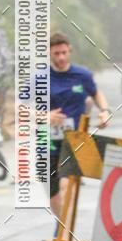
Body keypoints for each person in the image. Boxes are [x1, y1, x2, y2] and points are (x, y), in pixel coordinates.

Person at [49, 31, 110, 218]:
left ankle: (64, 232)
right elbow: (21, 106)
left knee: (67, 184)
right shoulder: (41, 78)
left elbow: (96, 93)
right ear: (49, 53)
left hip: (75, 139)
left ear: (69, 51)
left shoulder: (82, 75)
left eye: (64, 52)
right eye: (56, 53)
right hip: (49, 140)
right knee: (53, 195)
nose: (60, 57)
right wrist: (43, 115)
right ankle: (62, 227)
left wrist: (104, 111)